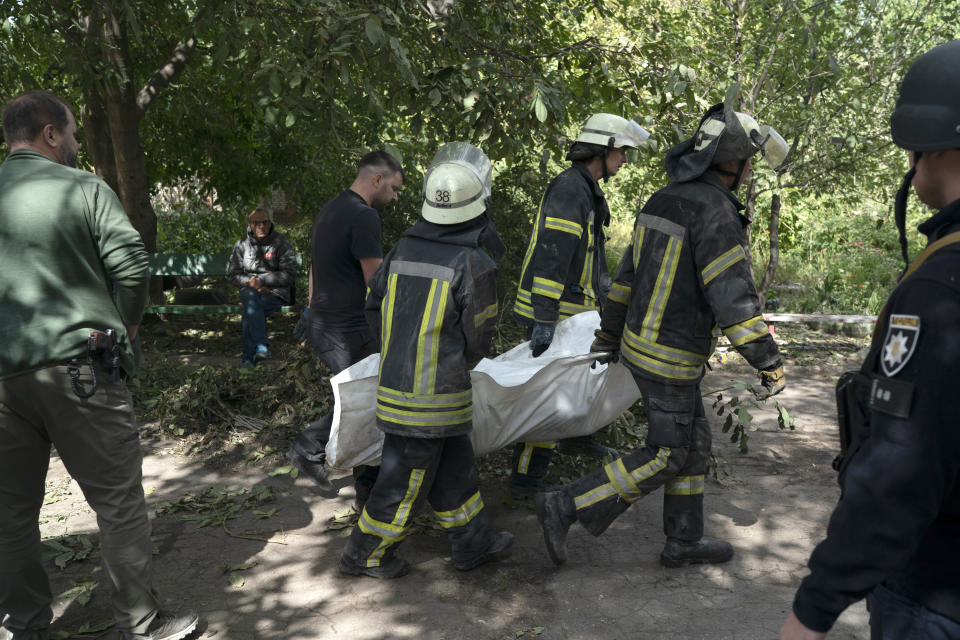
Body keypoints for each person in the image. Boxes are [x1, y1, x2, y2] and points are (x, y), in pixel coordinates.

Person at [535, 103, 788, 568]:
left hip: (646, 348)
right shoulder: (716, 214)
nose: (751, 171)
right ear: (729, 163)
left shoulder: (663, 199)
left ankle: (683, 541)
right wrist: (768, 360)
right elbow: (732, 297)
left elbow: (626, 277)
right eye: (749, 162)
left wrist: (610, 335)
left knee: (694, 446)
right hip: (670, 356)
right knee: (667, 453)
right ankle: (565, 504)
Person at [0, 91, 197, 640]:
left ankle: (27, 627)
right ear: (50, 134)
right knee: (117, 501)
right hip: (79, 368)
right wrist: (128, 326)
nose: (78, 145)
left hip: (3, 379)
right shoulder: (81, 187)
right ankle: (141, 623)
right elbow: (132, 265)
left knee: (10, 514)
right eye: (73, 133)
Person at [780, 40, 960, 640]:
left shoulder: (939, 288)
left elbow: (898, 477)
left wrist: (813, 610)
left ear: (932, 145)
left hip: (934, 595)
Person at [339, 142, 512, 578]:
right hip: (435, 397)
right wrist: (451, 364)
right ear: (477, 207)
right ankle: (364, 554)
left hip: (398, 387)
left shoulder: (401, 249)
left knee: (455, 468)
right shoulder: (473, 262)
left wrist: (399, 350)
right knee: (403, 481)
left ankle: (474, 543)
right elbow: (479, 338)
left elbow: (373, 306)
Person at [509, 113, 650, 498]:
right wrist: (543, 317)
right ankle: (525, 482)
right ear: (602, 149)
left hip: (570, 311)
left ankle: (575, 441)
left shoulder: (586, 188)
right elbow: (554, 255)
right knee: (546, 399)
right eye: (621, 152)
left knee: (569, 390)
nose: (624, 160)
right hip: (553, 313)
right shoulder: (572, 189)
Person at [286, 151, 404, 507]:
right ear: (377, 180)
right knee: (370, 400)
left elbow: (314, 267)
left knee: (368, 400)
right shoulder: (364, 217)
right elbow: (377, 283)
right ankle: (309, 447)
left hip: (325, 323)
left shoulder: (331, 209)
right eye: (395, 190)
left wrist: (310, 311)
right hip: (346, 328)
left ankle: (367, 490)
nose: (395, 199)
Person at [227, 207, 298, 367]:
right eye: (256, 223)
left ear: (270, 222)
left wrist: (263, 280)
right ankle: (261, 346)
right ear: (250, 225)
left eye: (264, 222)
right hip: (251, 291)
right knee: (250, 301)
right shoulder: (241, 246)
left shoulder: (281, 243)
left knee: (249, 310)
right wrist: (253, 283)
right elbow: (233, 275)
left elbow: (289, 273)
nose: (261, 226)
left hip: (276, 293)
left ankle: (248, 361)